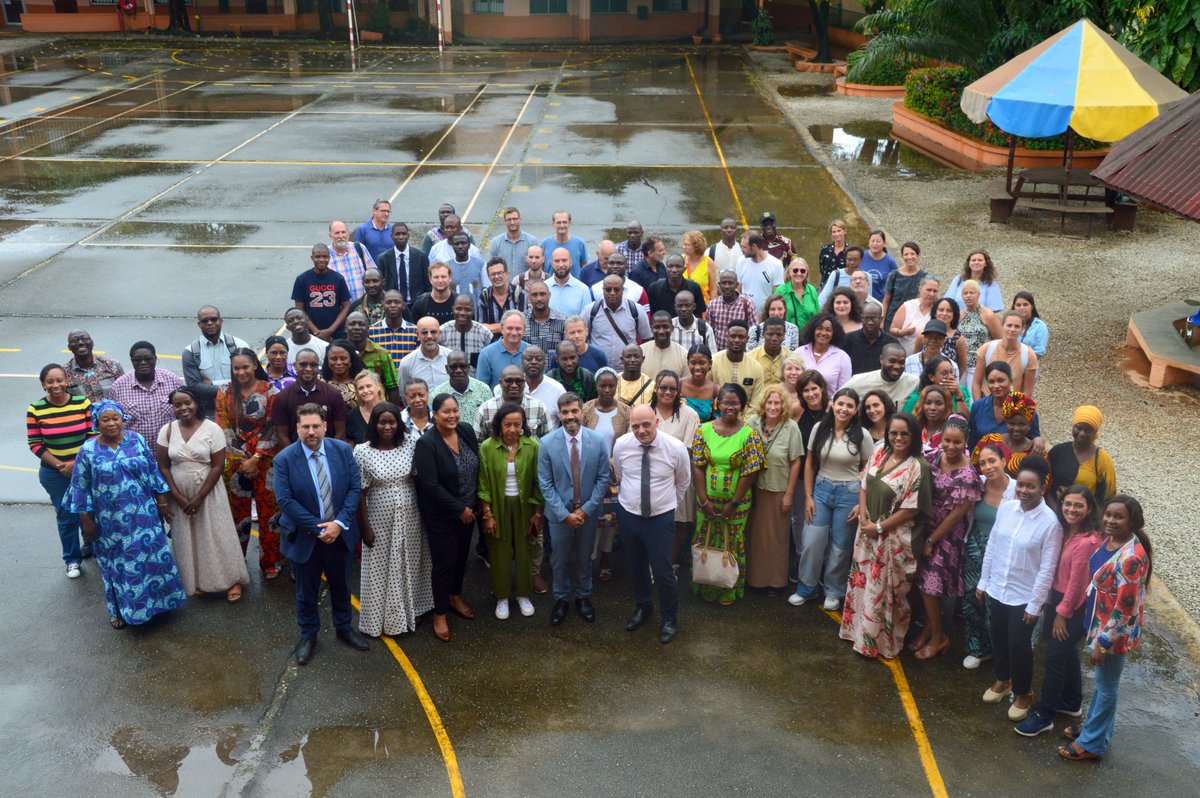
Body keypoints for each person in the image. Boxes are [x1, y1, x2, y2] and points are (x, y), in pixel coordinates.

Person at [65, 399, 187, 629]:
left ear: (122, 420)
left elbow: (152, 470)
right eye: (105, 419)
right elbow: (79, 487)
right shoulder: (88, 450)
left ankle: (159, 605)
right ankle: (120, 611)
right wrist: (86, 521)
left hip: (145, 515)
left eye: (116, 418)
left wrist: (161, 502)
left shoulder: (136, 440)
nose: (112, 423)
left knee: (152, 558)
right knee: (118, 565)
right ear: (96, 423)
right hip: (110, 522)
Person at [1058, 495, 1151, 762]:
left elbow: (1125, 608)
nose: (1110, 520)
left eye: (1118, 516)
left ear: (1131, 521)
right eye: (1108, 514)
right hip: (1100, 623)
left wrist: (1103, 644)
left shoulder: (1131, 557)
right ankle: (1095, 731)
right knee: (1104, 684)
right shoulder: (1111, 541)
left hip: (1113, 633)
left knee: (1107, 686)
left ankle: (1092, 743)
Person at [274, 403, 369, 664]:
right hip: (306, 537)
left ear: (325, 426)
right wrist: (319, 527)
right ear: (297, 428)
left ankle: (344, 628)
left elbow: (353, 489)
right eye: (305, 426)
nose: (311, 431)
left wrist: (338, 524)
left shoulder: (342, 451)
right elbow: (285, 501)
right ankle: (308, 635)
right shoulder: (284, 459)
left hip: (340, 533)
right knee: (306, 591)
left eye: (316, 426)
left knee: (342, 585)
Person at [839, 409, 933, 659]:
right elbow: (864, 484)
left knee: (886, 593)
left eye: (905, 433)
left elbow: (911, 509)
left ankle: (881, 644)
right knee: (864, 583)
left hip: (893, 538)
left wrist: (879, 527)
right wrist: (864, 517)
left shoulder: (918, 466)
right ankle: (858, 634)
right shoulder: (880, 452)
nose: (899, 438)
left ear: (914, 436)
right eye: (894, 433)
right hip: (867, 530)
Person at [977, 455, 1062, 721]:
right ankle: (1003, 680)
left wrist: (1036, 604)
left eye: (1031, 486)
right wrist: (983, 581)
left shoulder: (1050, 523)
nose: (1024, 491)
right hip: (998, 587)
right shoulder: (1007, 508)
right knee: (997, 635)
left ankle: (1024, 692)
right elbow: (992, 545)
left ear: (1042, 487)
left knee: (1018, 643)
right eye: (1021, 485)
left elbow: (1047, 568)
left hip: (1024, 596)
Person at [1016, 485, 1103, 737]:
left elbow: (1077, 583)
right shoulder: (1065, 530)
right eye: (1067, 503)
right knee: (1067, 652)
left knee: (1054, 657)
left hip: (1071, 605)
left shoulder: (1086, 541)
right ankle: (1072, 701)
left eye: (1078, 505)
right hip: (1059, 599)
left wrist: (1062, 615)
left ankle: (1045, 714)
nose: (1071, 509)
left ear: (1089, 510)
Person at [155, 387, 249, 601]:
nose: (183, 407)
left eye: (187, 402)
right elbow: (163, 466)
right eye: (177, 404)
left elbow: (217, 467)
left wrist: (198, 498)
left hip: (208, 489)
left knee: (218, 533)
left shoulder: (212, 429)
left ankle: (233, 580)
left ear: (196, 402)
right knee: (188, 536)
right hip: (178, 491)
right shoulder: (167, 430)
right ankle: (198, 580)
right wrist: (176, 495)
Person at [354, 400, 433, 636]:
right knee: (381, 567)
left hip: (411, 515)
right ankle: (384, 618)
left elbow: (420, 479)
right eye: (382, 422)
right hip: (379, 516)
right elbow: (360, 493)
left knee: (411, 561)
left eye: (392, 422)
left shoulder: (410, 443)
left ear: (399, 424)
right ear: (374, 425)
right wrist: (364, 528)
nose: (387, 427)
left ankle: (413, 610)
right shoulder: (362, 451)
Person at [614, 404, 692, 643]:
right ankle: (643, 607)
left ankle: (669, 618)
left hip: (660, 519)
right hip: (629, 515)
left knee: (663, 571)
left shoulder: (675, 448)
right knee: (637, 566)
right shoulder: (622, 445)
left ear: (656, 422)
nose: (641, 431)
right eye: (635, 426)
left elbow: (683, 482)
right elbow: (619, 474)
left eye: (646, 424)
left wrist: (666, 505)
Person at [791, 387, 873, 610]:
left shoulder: (862, 435)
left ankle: (833, 591)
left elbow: (869, 470)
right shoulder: (820, 428)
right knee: (811, 542)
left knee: (840, 546)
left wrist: (860, 503)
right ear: (833, 404)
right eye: (840, 404)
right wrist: (807, 495)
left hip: (849, 493)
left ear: (856, 410)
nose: (844, 409)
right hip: (821, 489)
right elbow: (809, 463)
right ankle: (806, 588)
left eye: (849, 406)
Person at [909, 416, 980, 660]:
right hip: (926, 523)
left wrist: (932, 541)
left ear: (965, 442)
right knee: (921, 581)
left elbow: (957, 514)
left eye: (957, 442)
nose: (951, 446)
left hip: (947, 533)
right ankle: (929, 628)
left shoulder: (968, 474)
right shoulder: (932, 458)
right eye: (947, 441)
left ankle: (940, 637)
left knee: (931, 585)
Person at [690, 383, 766, 605]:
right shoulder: (703, 430)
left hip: (737, 504)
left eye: (735, 403)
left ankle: (728, 590)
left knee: (731, 543)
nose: (730, 407)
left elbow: (749, 472)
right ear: (718, 404)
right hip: (707, 501)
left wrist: (733, 503)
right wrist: (703, 500)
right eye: (725, 402)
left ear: (742, 405)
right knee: (705, 540)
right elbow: (697, 466)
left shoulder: (749, 435)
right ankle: (706, 587)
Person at [538, 393, 611, 625]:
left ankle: (583, 597)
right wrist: (564, 514)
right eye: (565, 412)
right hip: (559, 516)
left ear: (582, 412)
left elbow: (603, 479)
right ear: (559, 414)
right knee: (559, 559)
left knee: (584, 557)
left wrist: (586, 510)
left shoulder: (598, 441)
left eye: (574, 411)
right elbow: (546, 484)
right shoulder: (547, 443)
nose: (570, 416)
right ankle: (560, 599)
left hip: (587, 514)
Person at [414, 394, 480, 642]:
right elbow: (430, 485)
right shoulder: (427, 443)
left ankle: (455, 596)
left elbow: (477, 465)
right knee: (444, 564)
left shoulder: (465, 431)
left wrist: (474, 506)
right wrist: (459, 510)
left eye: (455, 410)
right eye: (446, 412)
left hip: (470, 511)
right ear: (434, 414)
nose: (452, 416)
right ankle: (439, 613)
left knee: (462, 557)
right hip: (442, 515)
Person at [477, 404, 545, 621]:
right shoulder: (488, 447)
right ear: (499, 425)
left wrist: (537, 513)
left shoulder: (532, 446)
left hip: (525, 507)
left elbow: (538, 481)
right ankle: (502, 596)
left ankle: (523, 594)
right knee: (499, 551)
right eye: (508, 424)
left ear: (523, 426)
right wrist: (488, 515)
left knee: (525, 548)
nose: (513, 429)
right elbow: (483, 484)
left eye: (517, 424)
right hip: (498, 506)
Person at [28, 363, 93, 575]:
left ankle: (94, 548)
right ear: (43, 385)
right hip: (54, 473)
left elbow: (92, 437)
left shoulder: (82, 403)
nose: (55, 385)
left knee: (90, 511)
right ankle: (72, 559)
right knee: (66, 516)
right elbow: (35, 443)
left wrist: (76, 464)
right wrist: (60, 466)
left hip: (83, 469)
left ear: (66, 381)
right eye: (50, 381)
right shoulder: (35, 409)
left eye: (59, 380)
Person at [962, 443, 1016, 669]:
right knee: (972, 600)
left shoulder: (1017, 489)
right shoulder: (978, 485)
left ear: (1004, 461)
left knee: (996, 603)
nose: (987, 467)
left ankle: (1000, 652)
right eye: (982, 463)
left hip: (1004, 554)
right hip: (975, 548)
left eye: (992, 460)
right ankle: (977, 649)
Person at [748, 383, 804, 590]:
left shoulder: (790, 427)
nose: (773, 406)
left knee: (776, 539)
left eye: (777, 403)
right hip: (753, 489)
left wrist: (789, 494)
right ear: (764, 404)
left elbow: (796, 461)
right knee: (753, 537)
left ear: (783, 405)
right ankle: (753, 580)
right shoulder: (753, 422)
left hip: (778, 489)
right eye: (770, 402)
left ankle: (774, 581)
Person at [582, 367, 630, 581]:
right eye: (603, 385)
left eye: (611, 385)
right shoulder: (586, 409)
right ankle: (590, 562)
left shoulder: (625, 411)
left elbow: (629, 443)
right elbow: (580, 440)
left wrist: (611, 464)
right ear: (596, 386)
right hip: (589, 475)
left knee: (611, 522)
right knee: (591, 519)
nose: (607, 390)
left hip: (615, 477)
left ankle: (605, 563)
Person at [649, 371, 701, 566]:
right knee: (653, 522)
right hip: (651, 478)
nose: (668, 392)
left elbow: (688, 449)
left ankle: (669, 563)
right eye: (663, 388)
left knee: (677, 522)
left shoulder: (689, 415)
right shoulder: (646, 411)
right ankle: (653, 562)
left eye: (673, 388)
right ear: (656, 389)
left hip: (678, 478)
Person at [107, 342, 183, 445]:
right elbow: (113, 421)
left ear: (155, 358)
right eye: (138, 360)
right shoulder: (118, 387)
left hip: (170, 448)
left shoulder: (173, 380)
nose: (143, 363)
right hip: (134, 451)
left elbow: (183, 414)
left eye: (148, 359)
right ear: (132, 361)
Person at [271, 349, 349, 447]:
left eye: (313, 365)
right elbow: (282, 435)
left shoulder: (333, 394)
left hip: (328, 453)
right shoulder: (282, 397)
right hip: (297, 456)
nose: (308, 369)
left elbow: (340, 431)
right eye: (303, 364)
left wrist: (329, 454)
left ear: (318, 367)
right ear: (295, 366)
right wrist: (295, 458)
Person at [181, 307, 249, 417]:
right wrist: (233, 386)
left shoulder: (240, 345)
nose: (210, 323)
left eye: (214, 319)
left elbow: (250, 379)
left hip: (241, 407)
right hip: (210, 413)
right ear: (199, 324)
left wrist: (212, 384)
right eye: (205, 321)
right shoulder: (190, 352)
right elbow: (194, 387)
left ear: (221, 321)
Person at [967, 362, 1044, 452]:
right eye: (991, 382)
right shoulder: (978, 407)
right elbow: (972, 441)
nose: (996, 386)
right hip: (983, 463)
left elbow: (1033, 441)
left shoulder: (1024, 408)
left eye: (1000, 380)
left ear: (1011, 381)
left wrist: (1038, 439)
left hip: (1015, 463)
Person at [1048, 405, 1117, 505]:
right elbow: (1046, 485)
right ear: (1073, 426)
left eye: (1088, 431)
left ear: (1096, 432)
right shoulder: (1058, 451)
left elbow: (1108, 499)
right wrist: (1056, 514)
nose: (1082, 433)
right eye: (1078, 428)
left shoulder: (1102, 460)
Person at [587, 274, 652, 366]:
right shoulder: (591, 310)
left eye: (616, 290)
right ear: (603, 290)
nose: (612, 293)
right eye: (608, 289)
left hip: (628, 370)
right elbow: (582, 337)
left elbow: (647, 340)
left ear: (623, 291)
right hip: (599, 369)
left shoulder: (636, 310)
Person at [972, 311, 1038, 400]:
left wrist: (1017, 411)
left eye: (1017, 326)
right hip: (987, 403)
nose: (1012, 329)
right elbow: (976, 383)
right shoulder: (987, 349)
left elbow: (1027, 392)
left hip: (1013, 405)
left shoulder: (1028, 355)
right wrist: (979, 406)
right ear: (1002, 326)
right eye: (1009, 325)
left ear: (1022, 329)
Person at [477, 364, 552, 441]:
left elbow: (548, 441)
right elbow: (477, 442)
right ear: (500, 383)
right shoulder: (486, 408)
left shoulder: (539, 407)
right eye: (509, 381)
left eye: (519, 381)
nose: (514, 385)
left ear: (524, 382)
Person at [972, 391, 1037, 476]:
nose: (1016, 428)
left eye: (1022, 424)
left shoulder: (1035, 450)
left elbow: (1044, 482)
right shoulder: (989, 441)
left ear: (1029, 425)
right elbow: (972, 469)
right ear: (1006, 422)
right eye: (1012, 424)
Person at [345, 311, 400, 402]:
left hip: (376, 407)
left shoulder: (382, 354)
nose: (357, 327)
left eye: (361, 324)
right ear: (345, 328)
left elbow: (393, 387)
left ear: (368, 328)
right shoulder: (338, 353)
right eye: (352, 324)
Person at [711, 320, 765, 412]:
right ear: (727, 337)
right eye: (733, 336)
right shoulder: (713, 362)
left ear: (747, 339)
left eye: (741, 337)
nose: (736, 340)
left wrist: (743, 422)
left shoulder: (756, 367)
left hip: (746, 420)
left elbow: (756, 403)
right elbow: (707, 394)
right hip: (716, 417)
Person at [956, 279, 1001, 389]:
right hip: (961, 364)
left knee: (973, 399)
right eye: (965, 293)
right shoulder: (959, 315)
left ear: (979, 294)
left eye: (972, 292)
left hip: (979, 366)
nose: (968, 296)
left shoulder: (988, 315)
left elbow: (1000, 341)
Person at [844, 342, 919, 406]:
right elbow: (835, 400)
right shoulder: (858, 381)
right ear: (881, 359)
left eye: (901, 362)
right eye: (892, 361)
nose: (897, 366)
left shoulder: (914, 382)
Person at [432, 350, 493, 429]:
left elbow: (491, 421)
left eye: (463, 366)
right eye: (454, 367)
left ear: (468, 367)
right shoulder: (437, 393)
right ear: (447, 369)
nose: (458, 370)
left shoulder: (484, 390)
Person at [796, 313, 853, 395]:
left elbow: (844, 391)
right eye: (820, 328)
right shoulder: (799, 353)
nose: (823, 333)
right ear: (813, 330)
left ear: (834, 333)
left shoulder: (842, 357)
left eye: (828, 330)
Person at [62, 329, 124, 404]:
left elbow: (125, 393)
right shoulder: (64, 373)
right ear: (69, 347)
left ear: (92, 342)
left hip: (111, 413)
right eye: (75, 340)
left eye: (84, 338)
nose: (80, 342)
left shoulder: (112, 366)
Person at [912, 298, 968, 378]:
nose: (944, 313)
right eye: (941, 310)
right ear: (935, 312)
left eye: (949, 311)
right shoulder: (923, 335)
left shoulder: (958, 338)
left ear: (954, 314)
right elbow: (915, 358)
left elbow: (962, 366)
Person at [881, 242, 930, 332]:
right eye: (906, 254)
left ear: (918, 255)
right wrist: (882, 321)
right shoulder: (894, 275)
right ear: (902, 256)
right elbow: (886, 300)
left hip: (914, 320)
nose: (909, 257)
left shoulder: (925, 277)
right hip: (892, 320)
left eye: (912, 254)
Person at [902, 354, 970, 418]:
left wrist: (958, 395)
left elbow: (966, 421)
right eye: (944, 373)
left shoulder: (961, 391)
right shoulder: (916, 399)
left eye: (951, 372)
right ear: (931, 377)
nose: (950, 377)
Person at [378, 223, 431, 306]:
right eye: (397, 234)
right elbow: (381, 285)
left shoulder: (421, 256)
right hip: (393, 305)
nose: (401, 237)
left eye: (404, 234)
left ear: (408, 235)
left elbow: (428, 284)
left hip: (417, 304)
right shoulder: (383, 259)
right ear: (391, 236)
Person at [477, 310, 531, 388]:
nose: (514, 333)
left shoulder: (531, 353)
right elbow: (482, 387)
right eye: (510, 328)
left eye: (518, 329)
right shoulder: (486, 354)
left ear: (524, 330)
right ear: (502, 329)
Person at [889, 275, 940, 355]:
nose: (932, 294)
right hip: (904, 356)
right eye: (929, 290)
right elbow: (892, 329)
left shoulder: (939, 311)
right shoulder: (907, 306)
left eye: (935, 291)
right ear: (920, 289)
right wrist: (901, 332)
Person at [707, 270, 758, 351]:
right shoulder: (713, 305)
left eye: (730, 283)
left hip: (741, 355)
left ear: (736, 285)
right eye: (724, 283)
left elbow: (753, 333)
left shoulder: (747, 304)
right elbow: (709, 332)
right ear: (719, 285)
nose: (727, 286)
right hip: (718, 354)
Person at [735, 232, 785, 313]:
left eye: (744, 247)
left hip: (766, 316)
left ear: (754, 246)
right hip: (744, 315)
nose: (742, 250)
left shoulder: (776, 264)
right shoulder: (741, 261)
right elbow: (738, 288)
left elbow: (777, 295)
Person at [441, 294, 492, 372]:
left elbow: (490, 361)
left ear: (473, 311)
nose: (462, 313)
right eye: (458, 309)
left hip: (477, 381)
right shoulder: (443, 331)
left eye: (467, 309)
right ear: (453, 309)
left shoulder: (484, 333)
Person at [397, 317, 450, 394]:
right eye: (424, 332)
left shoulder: (450, 357)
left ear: (439, 333)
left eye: (433, 332)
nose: (429, 336)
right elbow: (404, 393)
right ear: (417, 335)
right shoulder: (406, 363)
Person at [844, 303, 899, 375]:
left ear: (881, 319)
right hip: (854, 384)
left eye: (874, 318)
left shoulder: (892, 343)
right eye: (866, 318)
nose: (870, 322)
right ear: (861, 318)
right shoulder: (848, 340)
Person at [477, 256, 528, 335]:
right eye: (493, 274)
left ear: (507, 273)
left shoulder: (519, 294)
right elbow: (482, 329)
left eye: (499, 273)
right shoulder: (484, 297)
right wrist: (510, 327)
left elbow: (523, 326)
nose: (496, 277)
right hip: (491, 345)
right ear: (488, 277)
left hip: (515, 342)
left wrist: (492, 327)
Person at [329, 220, 376, 301]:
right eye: (337, 233)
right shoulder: (326, 255)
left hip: (363, 306)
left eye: (343, 232)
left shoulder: (359, 248)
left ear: (348, 234)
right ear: (330, 235)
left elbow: (374, 273)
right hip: (340, 308)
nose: (341, 236)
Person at [647, 254, 706, 318]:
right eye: (670, 266)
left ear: (684, 269)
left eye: (678, 266)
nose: (674, 270)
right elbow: (651, 315)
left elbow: (698, 315)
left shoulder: (694, 288)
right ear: (665, 269)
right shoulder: (654, 289)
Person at [524, 281, 567, 366]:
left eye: (542, 294)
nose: (539, 298)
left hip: (554, 377)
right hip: (528, 376)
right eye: (534, 295)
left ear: (549, 295)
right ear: (529, 297)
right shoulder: (521, 322)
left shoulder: (563, 321)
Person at [489, 206, 538, 273]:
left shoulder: (531, 242)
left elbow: (537, 266)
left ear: (520, 220)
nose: (512, 222)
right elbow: (492, 268)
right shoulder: (496, 243)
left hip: (525, 283)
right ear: (505, 221)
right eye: (509, 219)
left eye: (514, 219)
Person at [547, 246, 592, 318]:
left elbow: (587, 320)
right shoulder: (544, 287)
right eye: (557, 261)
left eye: (564, 260)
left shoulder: (583, 290)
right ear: (552, 263)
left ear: (570, 262)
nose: (561, 265)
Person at [641, 311, 689, 378]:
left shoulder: (683, 354)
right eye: (657, 327)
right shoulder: (641, 352)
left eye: (665, 327)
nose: (661, 331)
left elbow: (686, 383)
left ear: (672, 328)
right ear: (651, 329)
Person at [541, 210, 588, 277]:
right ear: (553, 224)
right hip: (549, 286)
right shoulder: (545, 243)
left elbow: (584, 267)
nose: (562, 225)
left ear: (570, 223)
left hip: (574, 286)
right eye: (558, 222)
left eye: (564, 222)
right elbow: (541, 268)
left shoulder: (579, 243)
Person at [410, 262, 457, 326]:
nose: (440, 281)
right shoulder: (420, 304)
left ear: (450, 277)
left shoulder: (459, 302)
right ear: (430, 279)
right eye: (436, 277)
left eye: (443, 277)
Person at [345, 370, 385, 445]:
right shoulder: (352, 415)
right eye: (361, 388)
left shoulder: (392, 411)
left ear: (378, 386)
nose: (365, 390)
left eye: (369, 386)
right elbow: (351, 444)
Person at [680, 344, 718, 423]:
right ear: (688, 363)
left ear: (710, 363)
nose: (697, 367)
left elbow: (718, 421)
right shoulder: (677, 386)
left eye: (702, 363)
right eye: (693, 363)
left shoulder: (716, 391)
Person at [321, 340, 363, 409]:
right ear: (327, 360)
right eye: (333, 359)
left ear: (351, 359)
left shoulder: (362, 381)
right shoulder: (319, 381)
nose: (339, 363)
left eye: (343, 358)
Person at [860, 230, 897, 302]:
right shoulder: (861, 256)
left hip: (881, 302)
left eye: (878, 241)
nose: (875, 244)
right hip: (862, 301)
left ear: (884, 243)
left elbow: (896, 283)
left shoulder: (890, 261)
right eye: (872, 241)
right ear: (869, 243)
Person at [681, 229, 717, 302]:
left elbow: (713, 289)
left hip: (702, 305)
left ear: (697, 246)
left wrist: (713, 307)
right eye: (684, 244)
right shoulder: (681, 259)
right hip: (683, 305)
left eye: (688, 245)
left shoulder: (709, 262)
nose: (684, 247)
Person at [1012, 291, 1049, 357]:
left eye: (1025, 305)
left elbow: (1038, 353)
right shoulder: (1008, 324)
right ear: (1014, 307)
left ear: (1032, 306)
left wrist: (1017, 361)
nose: (1022, 308)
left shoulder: (1040, 327)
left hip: (1028, 365)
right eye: (1018, 305)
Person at [817, 218, 848, 287]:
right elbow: (822, 270)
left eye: (839, 231)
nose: (837, 234)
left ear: (845, 231)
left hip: (844, 288)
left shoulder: (850, 251)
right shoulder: (825, 250)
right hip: (826, 286)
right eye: (834, 232)